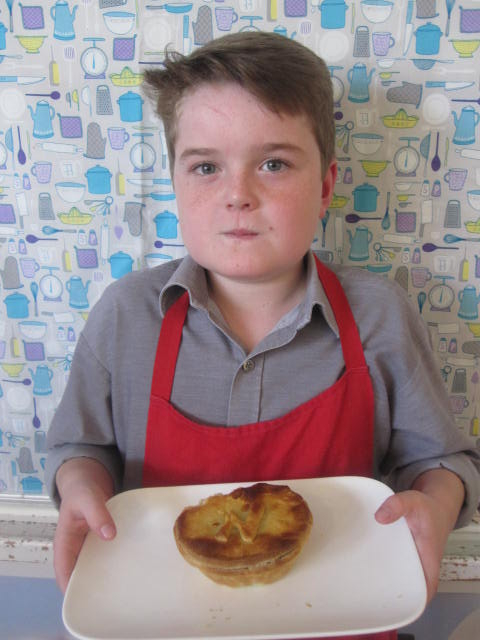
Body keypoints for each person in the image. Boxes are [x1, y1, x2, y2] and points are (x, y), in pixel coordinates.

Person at [47, 32, 479, 637]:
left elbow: (440, 460)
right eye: (206, 167)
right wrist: (80, 485)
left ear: (325, 186)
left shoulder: (379, 317)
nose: (238, 196)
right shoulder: (125, 317)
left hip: (344, 616)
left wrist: (436, 501)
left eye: (273, 164)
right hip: (163, 621)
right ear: (174, 182)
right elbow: (82, 448)